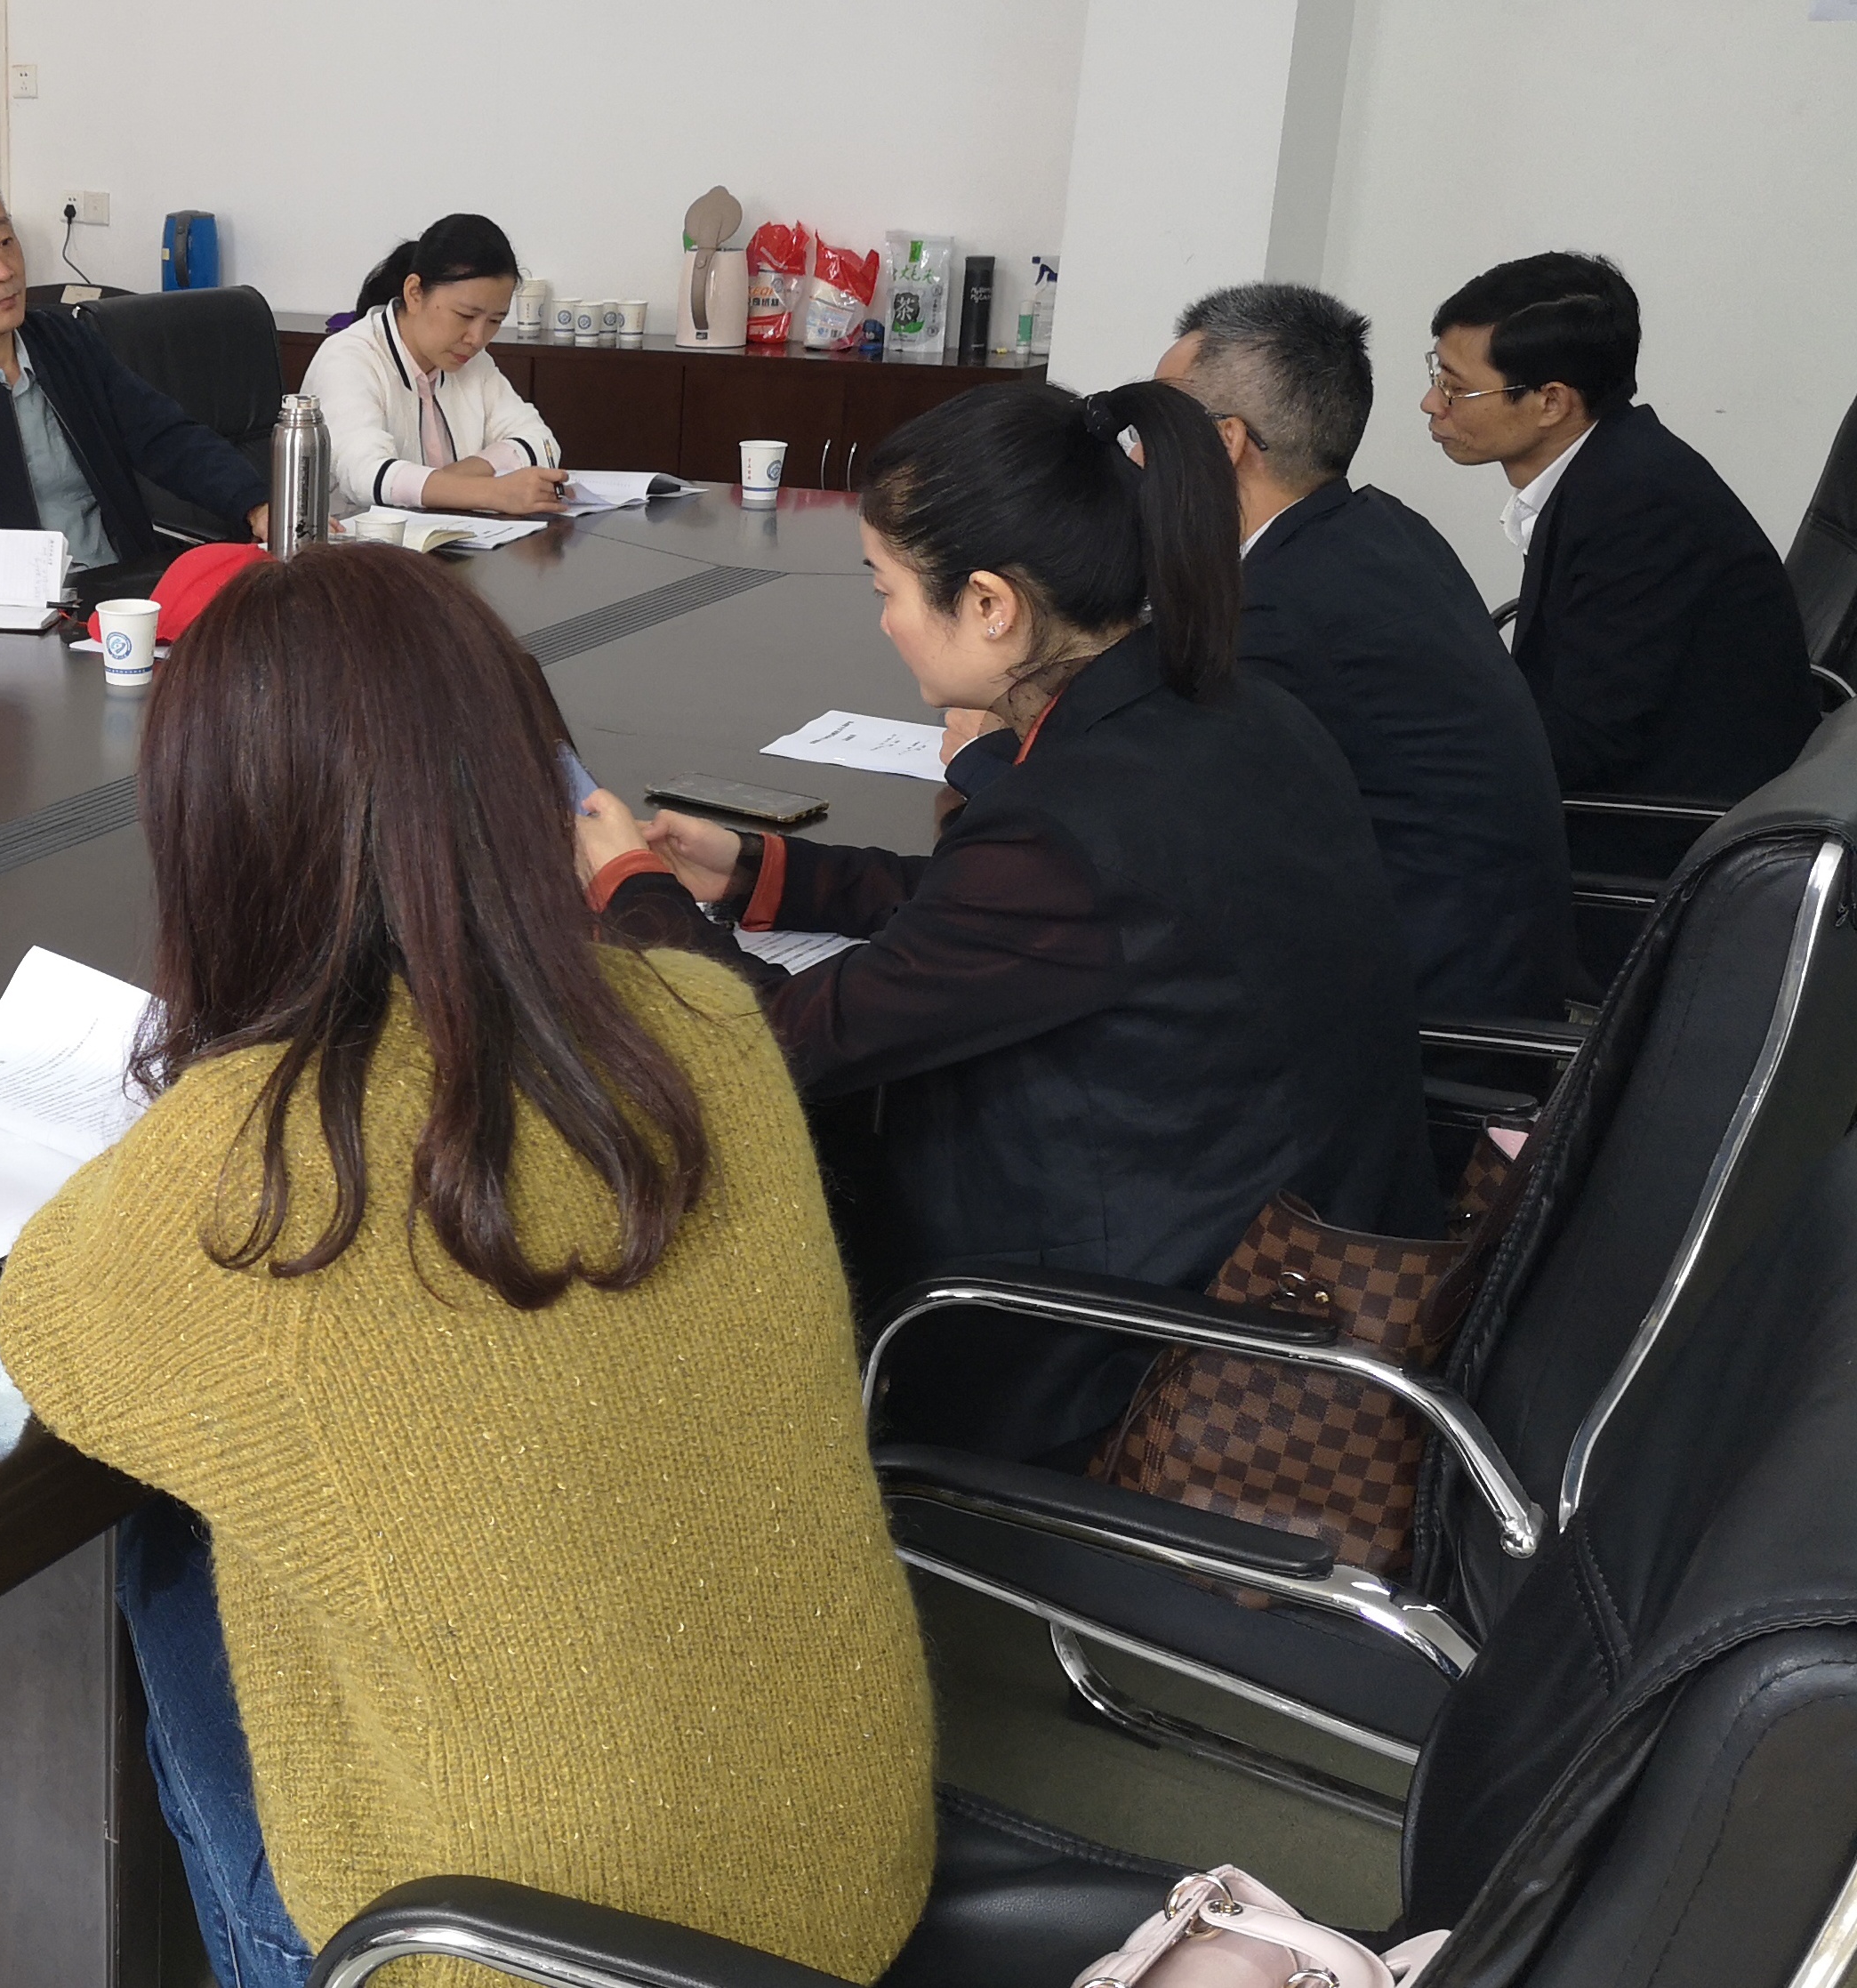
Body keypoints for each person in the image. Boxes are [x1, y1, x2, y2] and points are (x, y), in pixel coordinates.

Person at [0, 543, 934, 1988]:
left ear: (211, 840)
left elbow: (44, 1332)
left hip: (498, 1958)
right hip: (846, 1884)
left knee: (169, 1536)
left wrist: (205, 1088)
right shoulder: (704, 1022)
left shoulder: (250, 1162)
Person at [582, 381, 1437, 1459]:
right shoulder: (1223, 708)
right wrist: (763, 869)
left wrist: (633, 891)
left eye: (886, 587)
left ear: (990, 603)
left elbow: (773, 1042)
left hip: (1149, 1356)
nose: (883, 620)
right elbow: (1004, 912)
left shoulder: (1068, 822)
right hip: (1283, 1242)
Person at [1152, 281, 1575, 1017]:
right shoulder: (1376, 530)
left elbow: (1168, 835)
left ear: (1225, 442)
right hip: (1476, 966)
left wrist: (990, 752)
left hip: (1408, 1020)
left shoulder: (1278, 611)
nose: (1137, 457)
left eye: (1152, 430)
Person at [1427, 253, 1814, 833]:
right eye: (1437, 377)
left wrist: (1419, 740)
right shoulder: (1613, 467)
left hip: (1662, 834)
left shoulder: (1639, 508)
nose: (1432, 404)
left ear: (1551, 402)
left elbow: (1584, 742)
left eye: (1456, 389)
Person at [0, 169, 268, 599]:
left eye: (6, 242)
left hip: (124, 592)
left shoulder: (64, 343)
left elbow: (163, 435)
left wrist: (255, 502)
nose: (2, 271)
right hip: (9, 618)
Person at [301, 213, 568, 516]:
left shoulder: (473, 363)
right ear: (415, 293)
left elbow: (542, 443)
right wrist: (491, 492)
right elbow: (366, 475)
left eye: (495, 321)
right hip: (351, 541)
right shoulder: (348, 357)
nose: (477, 338)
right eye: (465, 315)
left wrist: (452, 480)